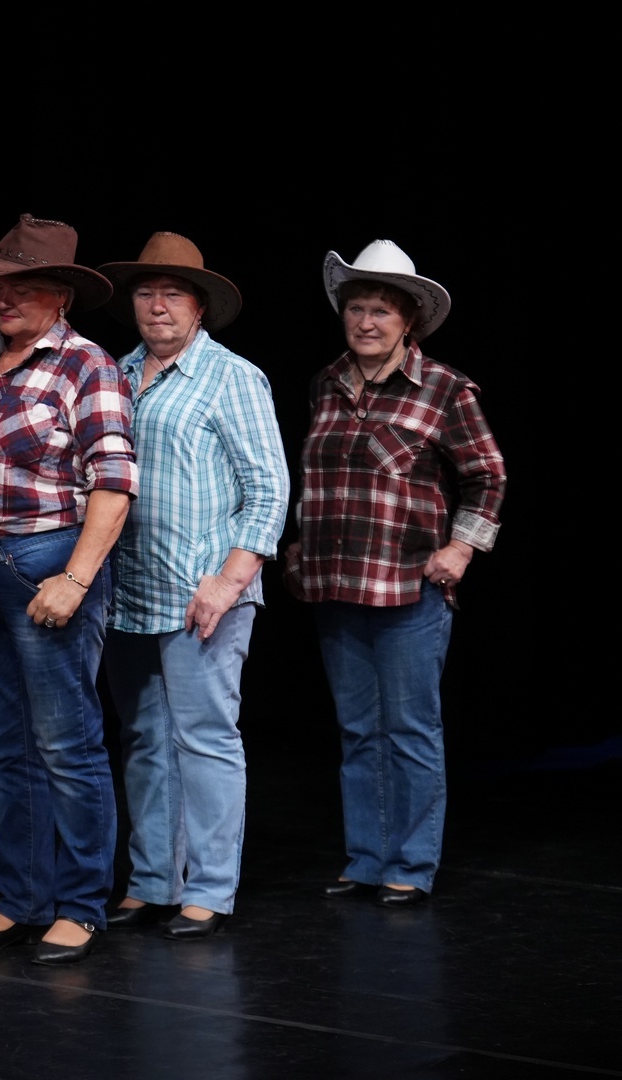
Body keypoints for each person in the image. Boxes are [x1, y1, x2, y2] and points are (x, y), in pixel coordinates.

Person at [284, 240, 506, 907]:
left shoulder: (445, 389)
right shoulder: (326, 382)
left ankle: (410, 864)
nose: (366, 322)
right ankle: (366, 858)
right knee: (358, 730)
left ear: (409, 320)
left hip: (409, 586)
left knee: (409, 731)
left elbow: (488, 475)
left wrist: (461, 549)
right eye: (356, 308)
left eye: (381, 310)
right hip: (335, 584)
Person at [0, 214, 137, 965]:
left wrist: (76, 578)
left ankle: (81, 904)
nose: (5, 296)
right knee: (4, 744)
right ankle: (21, 897)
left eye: (24, 285)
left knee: (66, 741)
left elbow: (113, 484)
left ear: (62, 296)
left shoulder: (88, 365)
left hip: (47, 560)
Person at [95, 233, 289, 940]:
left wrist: (229, 581)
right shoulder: (115, 373)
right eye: (146, 292)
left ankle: (208, 888)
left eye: (172, 293)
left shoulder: (232, 377)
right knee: (144, 737)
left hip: (203, 592)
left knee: (204, 737)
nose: (158, 305)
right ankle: (153, 881)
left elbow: (268, 490)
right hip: (130, 590)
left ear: (199, 306)